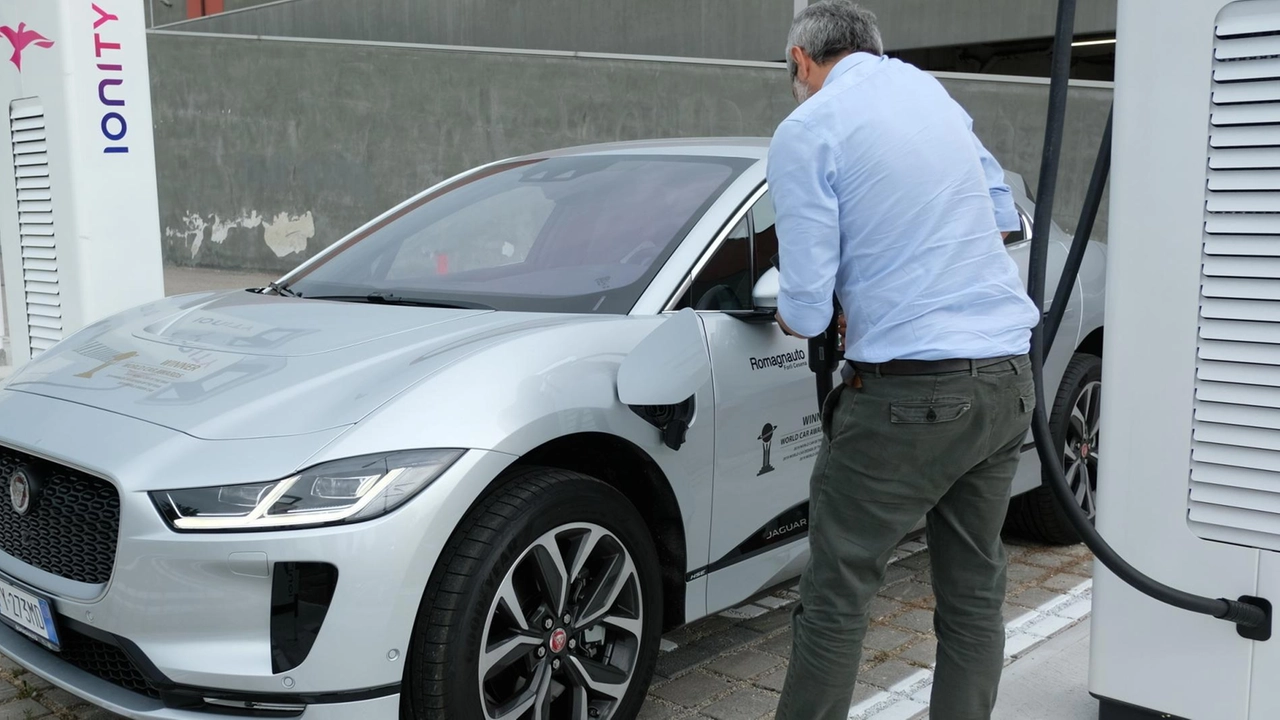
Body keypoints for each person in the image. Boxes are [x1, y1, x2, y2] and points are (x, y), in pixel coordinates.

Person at [766, 3, 1041, 720]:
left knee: (837, 596)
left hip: (908, 396)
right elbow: (1004, 214)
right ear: (873, 49)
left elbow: (803, 307)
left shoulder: (809, 128)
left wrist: (808, 306)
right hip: (1007, 375)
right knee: (974, 590)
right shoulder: (928, 93)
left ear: (801, 61)